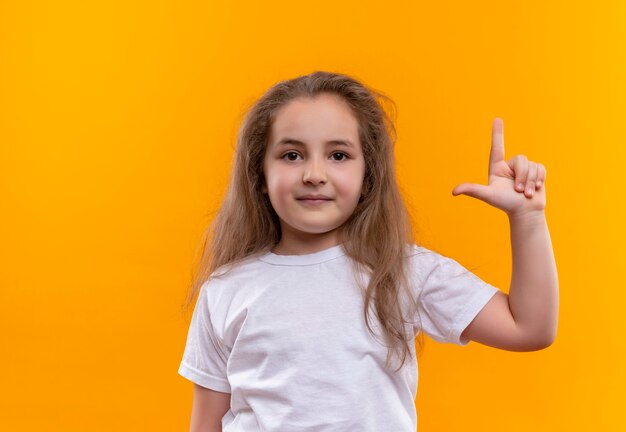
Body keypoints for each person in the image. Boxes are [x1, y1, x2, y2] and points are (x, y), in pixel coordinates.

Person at [177, 71, 559, 431]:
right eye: (291, 155)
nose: (314, 173)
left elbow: (529, 328)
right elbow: (207, 422)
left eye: (338, 155)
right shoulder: (225, 288)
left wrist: (526, 217)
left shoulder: (402, 271)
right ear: (260, 175)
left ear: (367, 176)